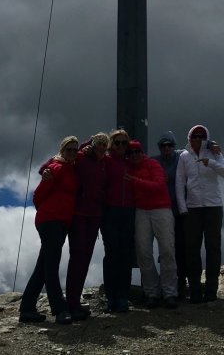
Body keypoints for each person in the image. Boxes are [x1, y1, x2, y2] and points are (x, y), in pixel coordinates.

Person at [19, 136, 79, 325]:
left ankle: (27, 309)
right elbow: (38, 196)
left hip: (59, 222)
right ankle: (59, 310)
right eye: (68, 149)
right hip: (51, 221)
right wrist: (47, 211)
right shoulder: (56, 168)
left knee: (43, 267)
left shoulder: (69, 168)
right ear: (62, 150)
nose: (72, 152)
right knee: (51, 266)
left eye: (74, 150)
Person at [175, 124, 224, 304]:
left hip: (213, 206)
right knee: (192, 249)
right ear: (189, 138)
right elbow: (179, 182)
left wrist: (211, 162)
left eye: (201, 136)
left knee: (213, 247)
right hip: (193, 207)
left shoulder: (213, 152)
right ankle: (195, 289)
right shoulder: (184, 156)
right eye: (194, 136)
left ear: (206, 137)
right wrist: (182, 207)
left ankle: (211, 289)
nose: (198, 139)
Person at [126, 139, 178, 309]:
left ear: (142, 152)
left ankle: (170, 292)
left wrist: (135, 181)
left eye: (137, 151)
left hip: (161, 209)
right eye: (130, 153)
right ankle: (151, 292)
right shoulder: (128, 168)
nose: (134, 155)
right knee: (143, 253)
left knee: (167, 251)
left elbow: (158, 185)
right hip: (141, 211)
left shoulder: (153, 164)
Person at [65, 132, 109, 320]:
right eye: (98, 143)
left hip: (94, 216)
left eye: (104, 144)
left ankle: (74, 301)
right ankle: (71, 303)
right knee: (77, 257)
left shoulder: (104, 162)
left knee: (85, 258)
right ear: (92, 143)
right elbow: (58, 159)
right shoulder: (82, 156)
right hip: (79, 214)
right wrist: (45, 170)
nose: (100, 147)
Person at [100, 128, 135, 313]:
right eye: (117, 142)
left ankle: (123, 297)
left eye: (124, 142)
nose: (121, 146)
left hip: (129, 211)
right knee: (112, 254)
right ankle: (111, 297)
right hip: (110, 211)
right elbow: (84, 153)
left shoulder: (132, 161)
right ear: (111, 144)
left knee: (126, 254)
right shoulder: (105, 160)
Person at [151, 131, 188, 298]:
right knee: (165, 249)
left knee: (180, 247)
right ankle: (166, 283)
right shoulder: (154, 161)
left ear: (174, 145)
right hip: (161, 210)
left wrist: (210, 145)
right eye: (163, 145)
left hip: (179, 211)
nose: (166, 148)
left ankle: (180, 284)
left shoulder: (181, 156)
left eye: (169, 145)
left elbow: (196, 147)